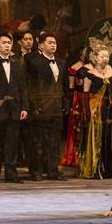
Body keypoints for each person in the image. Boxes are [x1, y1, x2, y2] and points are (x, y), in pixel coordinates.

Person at [0, 32, 29, 183]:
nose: (7, 45)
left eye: (9, 43)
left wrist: (24, 107)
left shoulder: (17, 63)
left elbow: (23, 87)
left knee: (12, 143)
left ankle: (11, 175)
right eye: (4, 43)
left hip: (15, 107)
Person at [25, 33, 69, 181]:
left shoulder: (61, 62)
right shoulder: (33, 61)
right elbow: (29, 86)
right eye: (50, 42)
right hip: (40, 107)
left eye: (54, 43)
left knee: (54, 142)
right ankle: (36, 171)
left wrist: (66, 102)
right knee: (38, 142)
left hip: (56, 108)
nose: (53, 45)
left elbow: (64, 85)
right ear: (41, 45)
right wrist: (33, 105)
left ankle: (53, 171)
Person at [79, 47, 112, 179]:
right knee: (97, 137)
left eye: (107, 56)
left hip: (110, 108)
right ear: (95, 58)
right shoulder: (90, 74)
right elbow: (85, 94)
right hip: (96, 108)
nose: (105, 59)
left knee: (110, 136)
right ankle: (96, 168)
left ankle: (109, 169)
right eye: (102, 56)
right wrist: (87, 112)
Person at [61, 46, 87, 167]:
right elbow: (71, 87)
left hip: (90, 98)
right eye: (86, 50)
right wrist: (72, 103)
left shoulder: (93, 66)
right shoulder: (75, 67)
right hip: (79, 98)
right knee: (77, 127)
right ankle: (75, 156)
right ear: (81, 52)